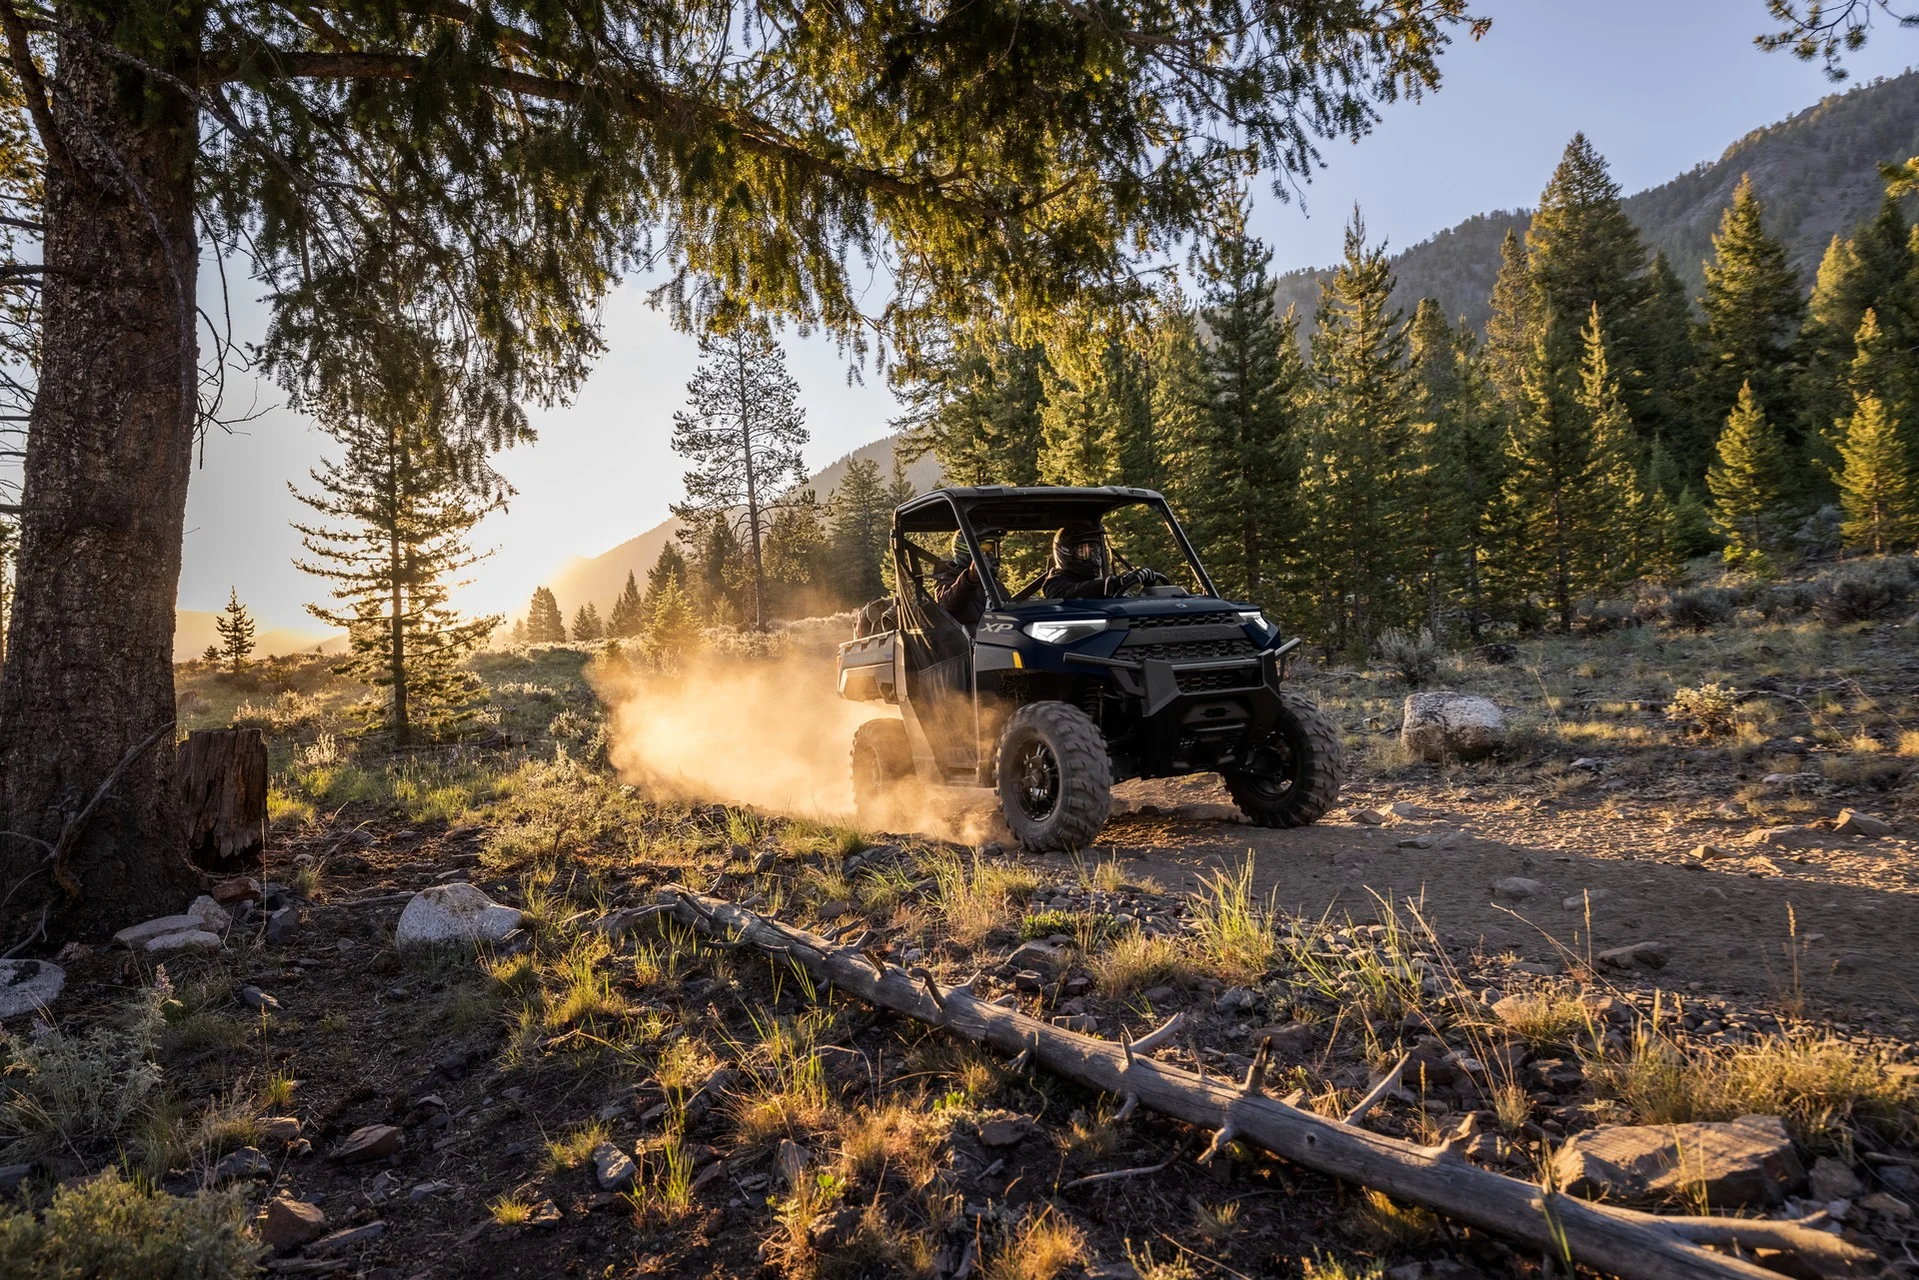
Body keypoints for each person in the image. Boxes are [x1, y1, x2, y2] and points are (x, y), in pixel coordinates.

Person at [1039, 521, 1166, 599]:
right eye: (1083, 551)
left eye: (1094, 550)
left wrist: (1147, 587)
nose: (1092, 556)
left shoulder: (1097, 579)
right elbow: (1075, 591)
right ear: (1065, 552)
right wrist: (1114, 584)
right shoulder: (1055, 583)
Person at [934, 528, 1001, 627]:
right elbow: (945, 606)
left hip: (999, 635)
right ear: (965, 550)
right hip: (964, 636)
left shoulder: (996, 584)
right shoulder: (947, 579)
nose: (990, 555)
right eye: (983, 550)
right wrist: (970, 578)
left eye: (992, 550)